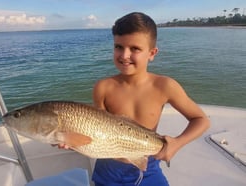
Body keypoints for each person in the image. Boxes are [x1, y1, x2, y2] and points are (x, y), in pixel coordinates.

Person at [90, 12, 210, 186]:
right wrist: (67, 138)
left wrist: (177, 143)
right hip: (108, 168)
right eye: (118, 47)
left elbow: (201, 120)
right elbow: (96, 130)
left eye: (135, 49)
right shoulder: (103, 87)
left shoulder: (164, 86)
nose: (124, 55)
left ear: (152, 53)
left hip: (148, 167)